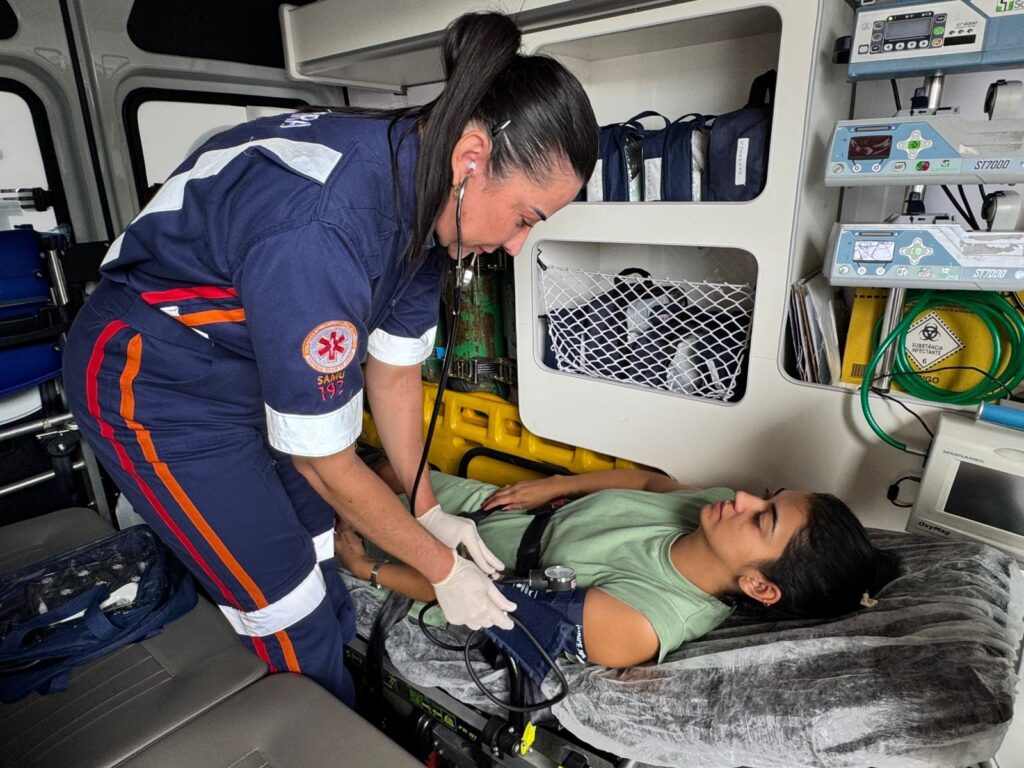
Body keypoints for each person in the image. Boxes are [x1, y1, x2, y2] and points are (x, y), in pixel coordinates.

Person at [61, 11, 598, 704]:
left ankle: (336, 693)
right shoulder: (325, 227)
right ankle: (316, 728)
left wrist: (428, 510)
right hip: (154, 379)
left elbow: (395, 375)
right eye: (526, 217)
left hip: (249, 367)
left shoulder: (430, 196)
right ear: (472, 159)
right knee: (287, 605)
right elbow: (323, 458)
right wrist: (440, 570)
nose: (519, 245)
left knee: (321, 547)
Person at [336, 463, 900, 668]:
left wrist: (368, 570)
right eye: (767, 495)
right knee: (384, 471)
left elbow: (485, 600)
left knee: (341, 502)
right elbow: (649, 482)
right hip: (497, 509)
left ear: (758, 585)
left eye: (763, 519)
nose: (746, 499)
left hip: (462, 569)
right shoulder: (714, 508)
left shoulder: (642, 620)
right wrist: (552, 486)